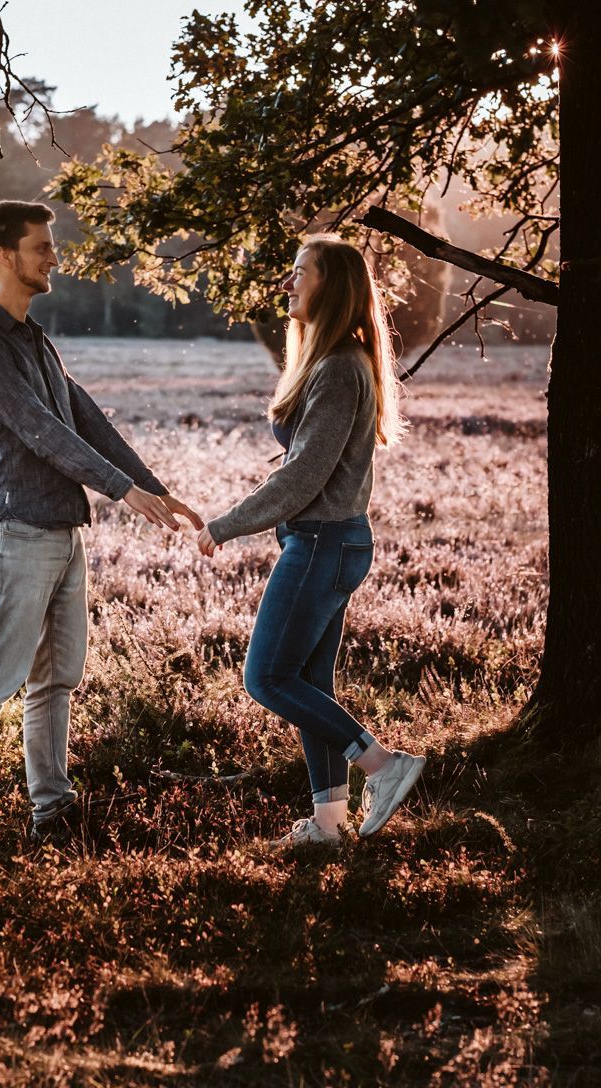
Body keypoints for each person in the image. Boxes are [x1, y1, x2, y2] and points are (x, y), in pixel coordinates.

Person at [0, 200, 202, 840]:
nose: (53, 257)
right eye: (42, 246)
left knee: (55, 680)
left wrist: (153, 490)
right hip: (16, 532)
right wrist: (119, 491)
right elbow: (38, 430)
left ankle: (51, 810)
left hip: (61, 531)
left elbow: (87, 420)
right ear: (7, 255)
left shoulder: (38, 339)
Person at [197, 234, 424, 846]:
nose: (289, 283)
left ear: (334, 286)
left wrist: (224, 525)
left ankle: (383, 764)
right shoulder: (332, 363)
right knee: (309, 685)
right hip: (331, 541)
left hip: (323, 543)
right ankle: (328, 824)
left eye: (302, 273)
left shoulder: (340, 369)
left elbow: (303, 476)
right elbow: (304, 464)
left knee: (266, 678)